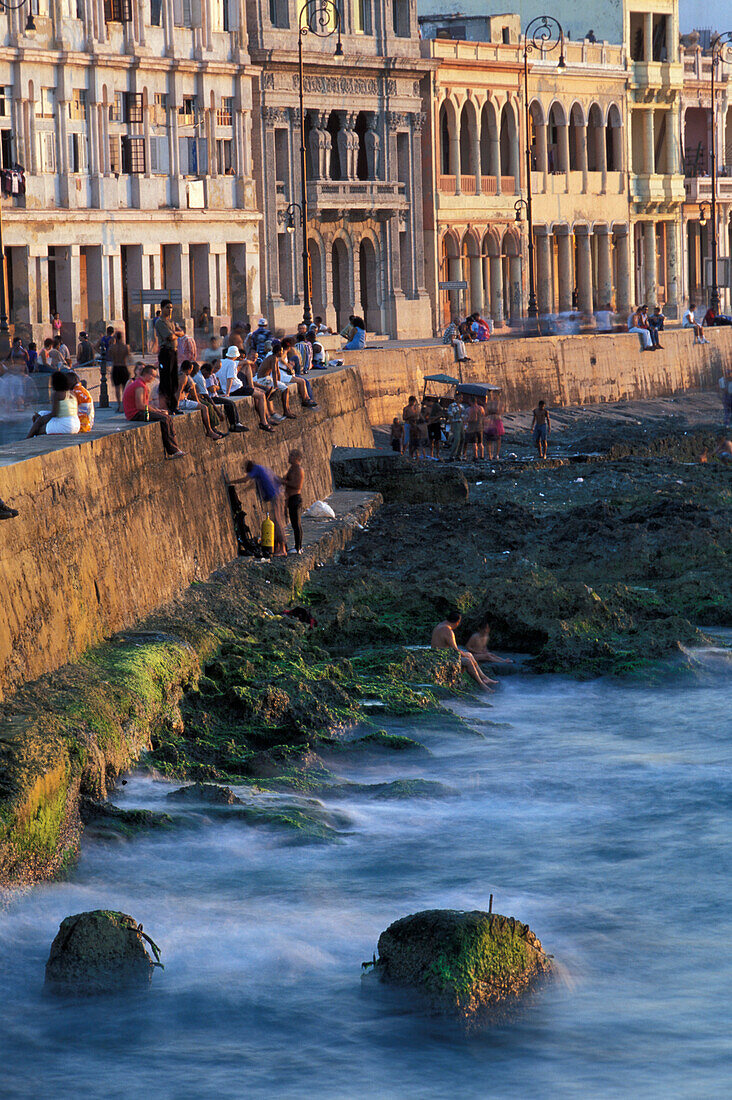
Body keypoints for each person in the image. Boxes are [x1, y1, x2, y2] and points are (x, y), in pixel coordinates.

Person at [122, 364, 186, 458]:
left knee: (167, 417)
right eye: (153, 375)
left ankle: (175, 447)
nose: (153, 378)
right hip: (135, 414)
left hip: (139, 412)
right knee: (164, 419)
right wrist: (156, 412)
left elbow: (145, 405)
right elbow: (140, 406)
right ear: (146, 374)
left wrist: (157, 410)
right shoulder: (139, 385)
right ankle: (173, 450)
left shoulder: (141, 384)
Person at [431, 610, 496, 690]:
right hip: (441, 658)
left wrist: (467, 654)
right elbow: (455, 651)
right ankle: (482, 684)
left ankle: (484, 677)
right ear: (457, 622)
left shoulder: (440, 625)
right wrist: (466, 654)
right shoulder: (447, 630)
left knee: (469, 655)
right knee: (467, 661)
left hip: (436, 655)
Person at [238, 460, 287, 556]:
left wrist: (229, 482)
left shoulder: (256, 469)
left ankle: (283, 549)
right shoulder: (261, 469)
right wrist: (244, 490)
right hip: (276, 496)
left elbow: (245, 480)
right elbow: (254, 484)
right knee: (274, 522)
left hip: (274, 497)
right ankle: (277, 547)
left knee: (276, 523)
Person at [176, 360, 225, 440]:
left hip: (179, 400)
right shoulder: (184, 377)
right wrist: (176, 406)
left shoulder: (178, 374)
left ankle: (213, 429)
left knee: (205, 404)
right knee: (204, 407)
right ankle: (209, 431)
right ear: (189, 369)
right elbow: (179, 392)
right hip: (181, 402)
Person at [26, 370, 80, 436]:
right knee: (40, 414)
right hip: (76, 425)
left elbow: (54, 413)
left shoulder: (57, 394)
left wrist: (40, 421)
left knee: (37, 429)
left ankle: (27, 438)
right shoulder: (72, 393)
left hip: (66, 426)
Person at [155, 299, 184, 411]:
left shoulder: (171, 322)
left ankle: (173, 405)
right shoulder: (160, 322)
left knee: (174, 379)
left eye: (171, 307)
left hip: (173, 351)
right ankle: (166, 405)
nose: (169, 310)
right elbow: (170, 337)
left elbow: (181, 333)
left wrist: (175, 333)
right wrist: (176, 334)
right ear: (162, 308)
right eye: (167, 307)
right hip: (165, 352)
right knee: (166, 380)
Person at [283, 449, 305, 554]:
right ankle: (297, 547)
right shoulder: (292, 469)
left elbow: (297, 485)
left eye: (291, 455)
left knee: (296, 524)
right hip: (291, 499)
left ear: (296, 458)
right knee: (294, 524)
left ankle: (298, 547)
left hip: (295, 499)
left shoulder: (298, 470)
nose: (289, 457)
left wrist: (283, 482)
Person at [108, 331, 131, 411]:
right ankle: (125, 404)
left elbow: (109, 355)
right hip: (123, 367)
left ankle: (119, 405)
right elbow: (129, 358)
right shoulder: (125, 347)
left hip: (116, 367)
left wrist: (112, 341)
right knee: (125, 388)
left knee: (117, 388)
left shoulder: (112, 347)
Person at [484, 393, 504, 460]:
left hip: (495, 420)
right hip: (491, 421)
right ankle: (491, 454)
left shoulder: (499, 403)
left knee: (496, 438)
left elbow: (499, 411)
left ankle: (495, 454)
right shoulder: (489, 403)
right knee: (489, 438)